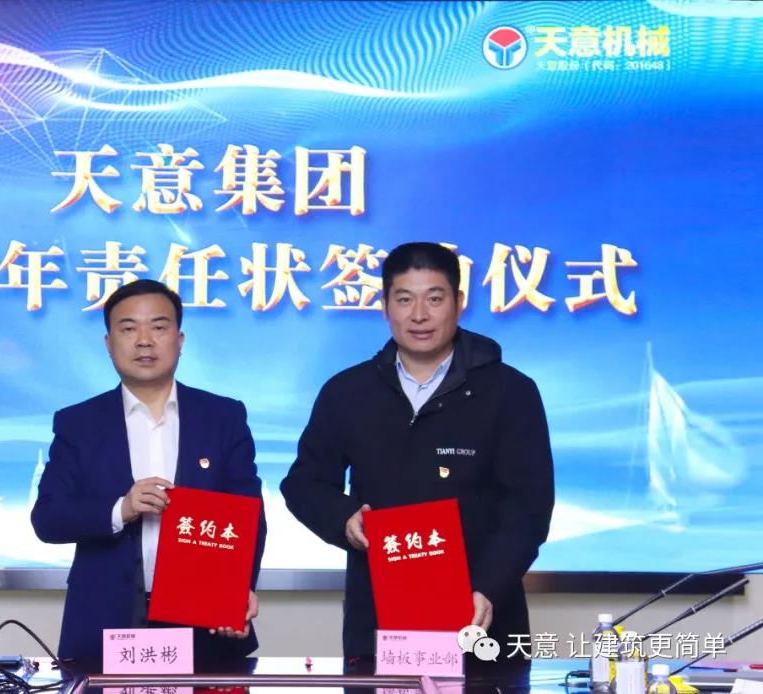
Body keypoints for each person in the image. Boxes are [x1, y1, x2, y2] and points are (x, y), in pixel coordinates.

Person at [280, 241, 554, 675]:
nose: (419, 315)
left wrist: (488, 588)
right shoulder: (347, 392)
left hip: (483, 620)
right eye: (405, 299)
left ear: (458, 303)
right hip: (379, 623)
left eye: (434, 298)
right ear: (385, 306)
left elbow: (529, 508)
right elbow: (303, 483)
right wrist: (344, 518)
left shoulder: (510, 393)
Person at [31, 279, 266, 668]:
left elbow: (250, 515)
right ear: (109, 343)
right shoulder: (79, 423)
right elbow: (48, 519)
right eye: (129, 329)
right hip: (105, 626)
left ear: (180, 339)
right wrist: (120, 509)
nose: (144, 341)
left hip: (205, 625)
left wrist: (238, 589)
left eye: (158, 327)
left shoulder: (223, 417)